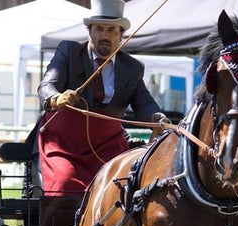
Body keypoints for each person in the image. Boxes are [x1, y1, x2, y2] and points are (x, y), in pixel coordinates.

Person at [37, 0, 165, 196]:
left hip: (108, 146)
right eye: (99, 29)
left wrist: (156, 118)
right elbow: (46, 85)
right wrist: (57, 99)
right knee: (63, 185)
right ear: (89, 31)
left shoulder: (133, 67)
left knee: (119, 189)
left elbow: (144, 102)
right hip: (64, 145)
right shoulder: (69, 52)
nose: (105, 35)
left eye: (112, 29)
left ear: (121, 35)